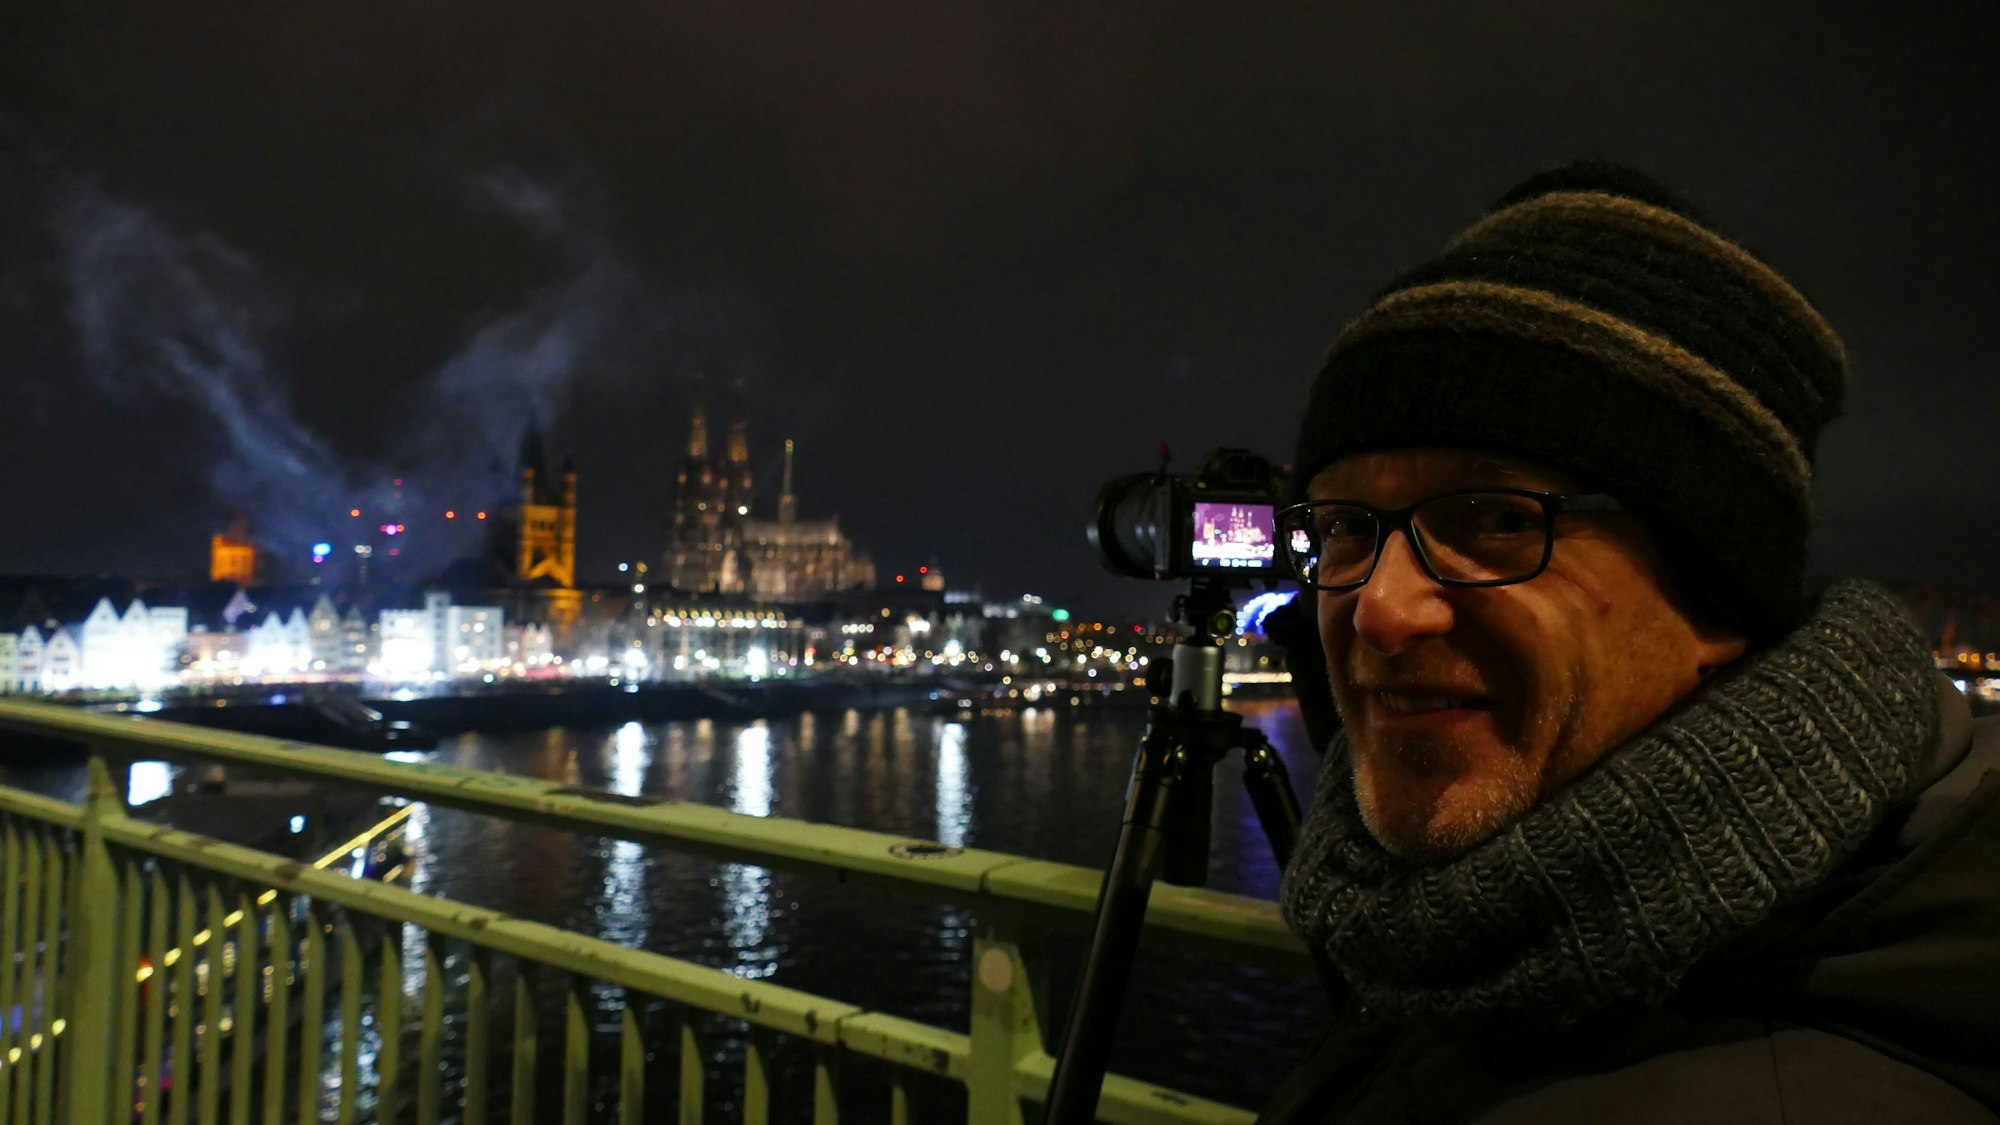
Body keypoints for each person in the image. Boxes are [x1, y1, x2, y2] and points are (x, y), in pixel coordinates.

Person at [1256, 160, 2000, 1124]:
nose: (1383, 609)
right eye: (1347, 526)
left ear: (1716, 594)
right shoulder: (1477, 949)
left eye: (1494, 519)